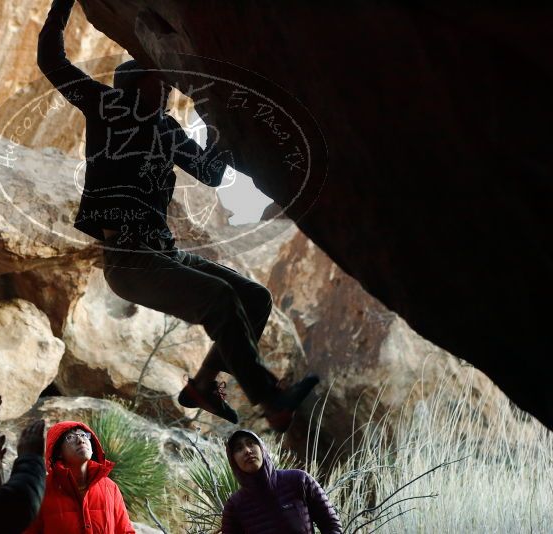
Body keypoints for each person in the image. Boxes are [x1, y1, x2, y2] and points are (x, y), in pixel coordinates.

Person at [37, 0, 318, 431]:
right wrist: (64, 3)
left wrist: (223, 121)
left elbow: (210, 170)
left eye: (168, 84)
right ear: (132, 83)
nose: (168, 90)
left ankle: (203, 386)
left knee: (254, 298)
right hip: (130, 259)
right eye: (159, 81)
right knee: (220, 301)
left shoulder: (167, 129)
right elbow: (51, 60)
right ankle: (269, 398)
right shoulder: (106, 107)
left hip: (165, 254)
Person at [221, 430, 342, 534]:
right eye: (239, 448)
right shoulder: (234, 506)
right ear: (233, 461)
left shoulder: (298, 480)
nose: (247, 450)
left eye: (251, 443)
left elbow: (331, 524)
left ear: (262, 448)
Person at [24, 421, 134, 533]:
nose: (81, 440)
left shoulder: (110, 488)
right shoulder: (42, 490)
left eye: (83, 435)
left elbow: (125, 531)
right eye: (70, 437)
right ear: (58, 453)